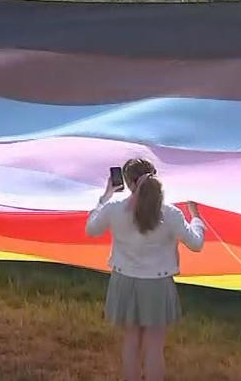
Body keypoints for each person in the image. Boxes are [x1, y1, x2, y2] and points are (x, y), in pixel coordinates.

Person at [85, 158, 205, 381]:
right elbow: (196, 244)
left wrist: (104, 198)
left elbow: (91, 229)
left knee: (131, 342)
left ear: (128, 182)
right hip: (157, 284)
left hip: (124, 280)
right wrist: (196, 218)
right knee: (154, 347)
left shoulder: (114, 209)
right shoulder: (170, 213)